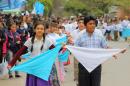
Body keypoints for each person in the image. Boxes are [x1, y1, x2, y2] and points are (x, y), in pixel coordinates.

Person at [8, 21, 53, 86]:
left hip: (43, 68)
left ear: (44, 30)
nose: (39, 30)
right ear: (35, 30)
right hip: (33, 68)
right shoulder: (29, 40)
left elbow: (55, 50)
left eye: (41, 29)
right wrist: (11, 63)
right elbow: (19, 52)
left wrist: (62, 46)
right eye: (38, 28)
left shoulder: (48, 41)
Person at [75, 16, 108, 86]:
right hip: (83, 66)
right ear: (85, 25)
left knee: (96, 84)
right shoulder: (80, 35)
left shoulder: (99, 35)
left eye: (94, 24)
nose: (92, 25)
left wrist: (116, 51)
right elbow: (75, 49)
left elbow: (105, 47)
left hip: (96, 65)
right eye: (90, 24)